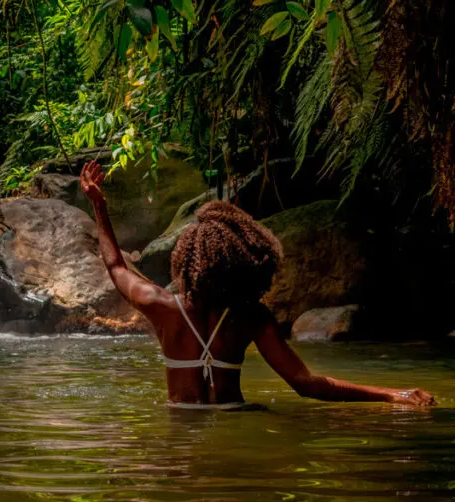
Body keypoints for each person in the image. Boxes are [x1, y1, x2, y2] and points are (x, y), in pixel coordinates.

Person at [79, 160, 435, 409]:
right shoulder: (250, 318)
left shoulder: (163, 308)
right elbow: (307, 384)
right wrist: (391, 394)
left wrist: (100, 207)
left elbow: (115, 265)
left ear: (188, 259)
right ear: (246, 260)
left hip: (182, 432)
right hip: (236, 419)